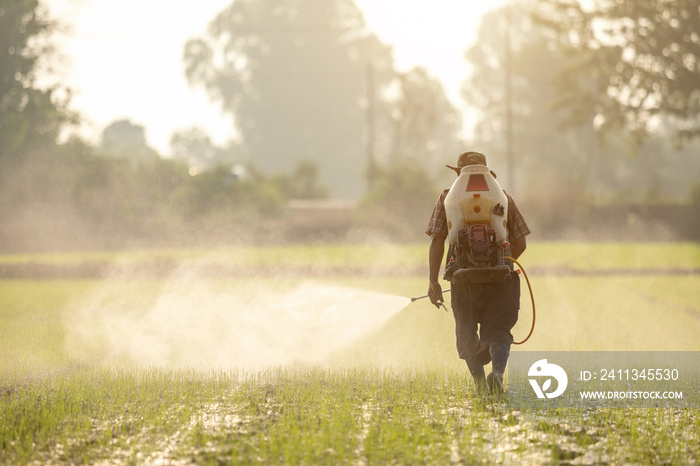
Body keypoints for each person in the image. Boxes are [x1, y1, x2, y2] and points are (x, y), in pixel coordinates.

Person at [425, 151, 531, 393]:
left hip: (463, 280)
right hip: (501, 278)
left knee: (467, 332)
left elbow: (437, 241)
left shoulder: (447, 198)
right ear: (486, 171)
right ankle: (497, 373)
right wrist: (502, 262)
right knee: (499, 329)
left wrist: (433, 282)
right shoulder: (503, 198)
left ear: (458, 173)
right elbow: (521, 242)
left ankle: (481, 386)